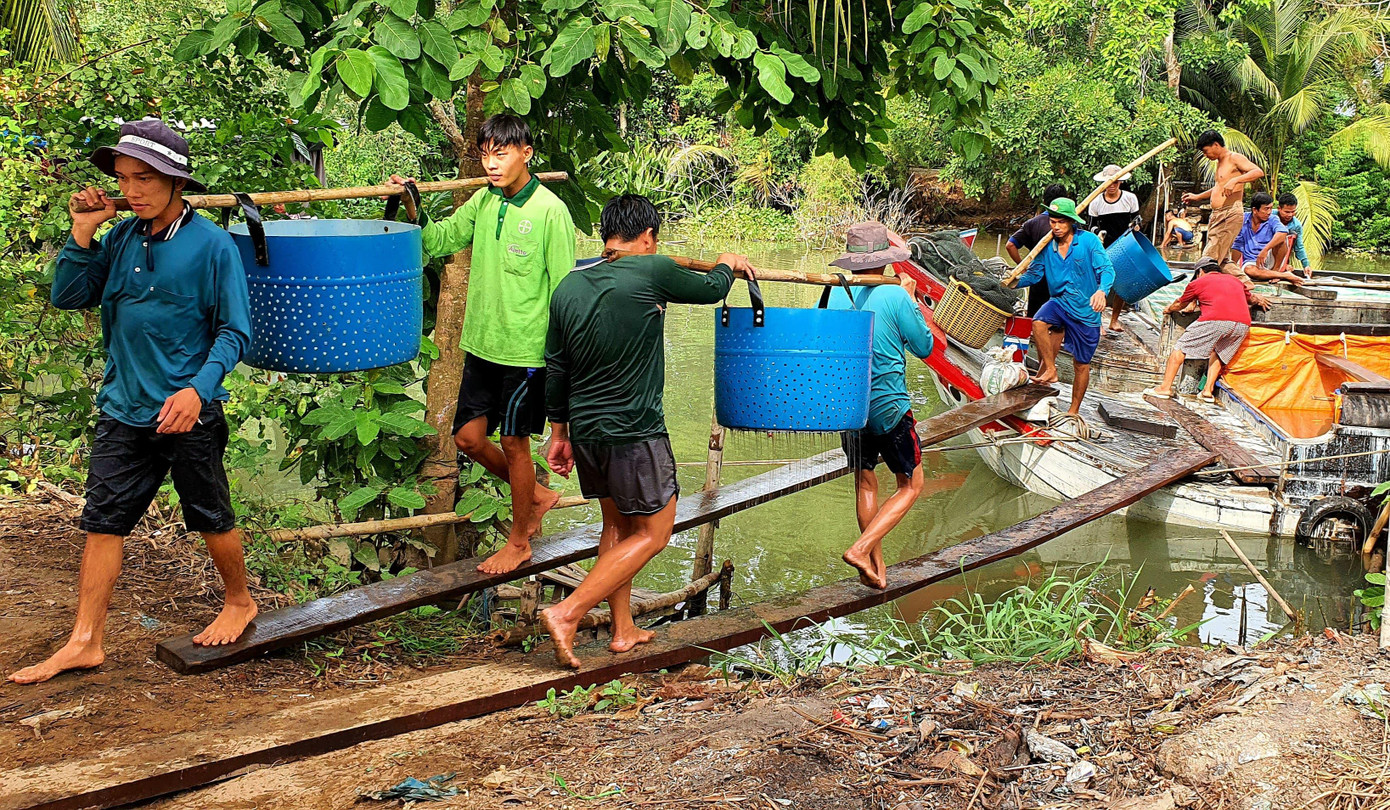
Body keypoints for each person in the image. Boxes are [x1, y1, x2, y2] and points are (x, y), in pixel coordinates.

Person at [9, 120, 255, 685]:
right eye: (124, 179)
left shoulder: (212, 246)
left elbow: (235, 332)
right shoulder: (120, 238)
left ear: (175, 181)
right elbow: (69, 295)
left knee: (210, 513)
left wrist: (199, 389)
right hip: (123, 405)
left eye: (145, 178)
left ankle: (239, 600)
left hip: (185, 409)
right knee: (104, 521)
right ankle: (85, 640)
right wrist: (82, 233)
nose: (133, 190)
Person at [539, 195, 753, 669]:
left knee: (616, 525)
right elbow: (712, 289)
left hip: (587, 429)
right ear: (648, 237)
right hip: (633, 429)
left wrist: (559, 432)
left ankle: (623, 630)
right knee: (655, 532)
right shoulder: (651, 268)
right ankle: (568, 611)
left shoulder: (569, 286)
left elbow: (554, 368)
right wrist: (727, 262)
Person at [389, 115, 575, 576]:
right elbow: (437, 241)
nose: (491, 164)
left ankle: (519, 540)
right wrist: (415, 208)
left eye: (502, 153)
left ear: (526, 153)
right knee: (468, 439)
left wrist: (561, 364)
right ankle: (537, 495)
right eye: (486, 154)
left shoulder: (551, 212)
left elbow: (567, 294)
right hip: (482, 345)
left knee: (515, 443)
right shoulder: (482, 203)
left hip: (527, 354)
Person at [826, 222, 932, 590]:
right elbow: (925, 348)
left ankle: (877, 568)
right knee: (911, 485)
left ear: (853, 261)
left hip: (847, 405)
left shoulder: (830, 294)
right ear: (885, 261)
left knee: (865, 482)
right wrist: (912, 299)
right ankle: (860, 550)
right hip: (888, 406)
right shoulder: (895, 295)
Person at [1009, 198, 1115, 416]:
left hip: (1086, 311)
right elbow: (1035, 274)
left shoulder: (1089, 241)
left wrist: (1101, 291)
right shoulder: (1048, 246)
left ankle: (1073, 410)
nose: (1055, 227)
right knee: (1038, 322)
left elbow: (1107, 270)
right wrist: (1013, 282)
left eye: (1060, 223)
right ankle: (1050, 369)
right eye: (1052, 222)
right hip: (1061, 302)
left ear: (1071, 223)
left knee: (1081, 364)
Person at [1146, 257, 1268, 402]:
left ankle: (1165, 387)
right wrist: (1259, 299)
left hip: (1216, 320)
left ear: (1200, 272)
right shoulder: (1236, 281)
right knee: (1219, 354)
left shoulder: (1198, 282)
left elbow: (1180, 303)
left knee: (1180, 348)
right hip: (1242, 324)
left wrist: (1169, 309)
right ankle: (1207, 391)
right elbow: (1251, 299)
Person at [1182, 130, 1264, 275]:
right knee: (1223, 258)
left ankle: (1196, 287)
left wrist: (1236, 180)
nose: (1206, 156)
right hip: (1218, 214)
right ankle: (1245, 285)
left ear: (1216, 145)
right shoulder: (1220, 164)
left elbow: (1258, 171)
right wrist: (1197, 197)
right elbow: (1219, 188)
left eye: (1206, 151)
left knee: (1209, 257)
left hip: (1230, 212)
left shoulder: (1234, 158)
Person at [1084, 164, 1140, 334]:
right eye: (1109, 182)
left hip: (1125, 247)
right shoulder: (1096, 201)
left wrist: (1136, 225)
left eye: (1116, 181)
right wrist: (1098, 234)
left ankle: (1114, 320)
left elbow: (1137, 218)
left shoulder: (1130, 198)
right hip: (1103, 247)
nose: (1112, 185)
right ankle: (1098, 322)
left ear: (1121, 182)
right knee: (1099, 284)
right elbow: (1091, 226)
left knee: (1122, 285)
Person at [1006, 183, 1069, 317]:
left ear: (1044, 202)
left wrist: (1023, 267)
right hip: (1064, 279)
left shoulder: (1034, 223)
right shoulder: (1071, 224)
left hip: (1039, 278)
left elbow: (1010, 245)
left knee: (1036, 319)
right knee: (1059, 319)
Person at [1231, 192, 1302, 284]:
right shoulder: (1243, 219)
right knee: (1249, 270)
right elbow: (1238, 244)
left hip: (1269, 257)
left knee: (1282, 240)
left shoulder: (1273, 219)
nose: (1269, 212)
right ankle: (1282, 275)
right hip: (1252, 261)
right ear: (1255, 210)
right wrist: (1232, 266)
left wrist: (1265, 249)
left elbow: (1282, 232)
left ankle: (1276, 271)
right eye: (1266, 209)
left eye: (1271, 208)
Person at [1274, 192, 1314, 277]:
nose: (1290, 215)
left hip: (1281, 256)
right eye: (1287, 212)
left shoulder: (1296, 225)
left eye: (1293, 212)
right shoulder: (1270, 216)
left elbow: (1299, 247)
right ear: (1279, 209)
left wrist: (1306, 265)